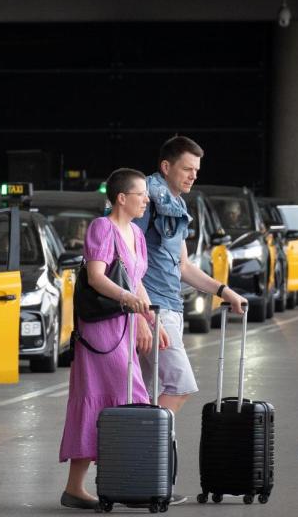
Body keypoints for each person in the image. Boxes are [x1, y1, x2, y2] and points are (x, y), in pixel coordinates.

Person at [133, 136, 247, 506]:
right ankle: (143, 450)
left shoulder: (177, 205)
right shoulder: (146, 197)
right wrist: (140, 310)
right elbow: (125, 254)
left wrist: (223, 290)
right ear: (166, 166)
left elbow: (182, 266)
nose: (193, 176)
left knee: (153, 393)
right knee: (180, 385)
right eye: (187, 169)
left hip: (170, 308)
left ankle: (148, 474)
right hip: (153, 311)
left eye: (197, 171)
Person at [58, 168, 159, 510]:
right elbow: (97, 277)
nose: (147, 199)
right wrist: (128, 300)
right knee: (129, 397)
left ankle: (81, 487)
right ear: (121, 198)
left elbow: (135, 279)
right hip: (102, 330)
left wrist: (148, 315)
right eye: (141, 193)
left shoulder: (136, 234)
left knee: (113, 398)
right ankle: (136, 480)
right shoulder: (103, 228)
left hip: (125, 325)